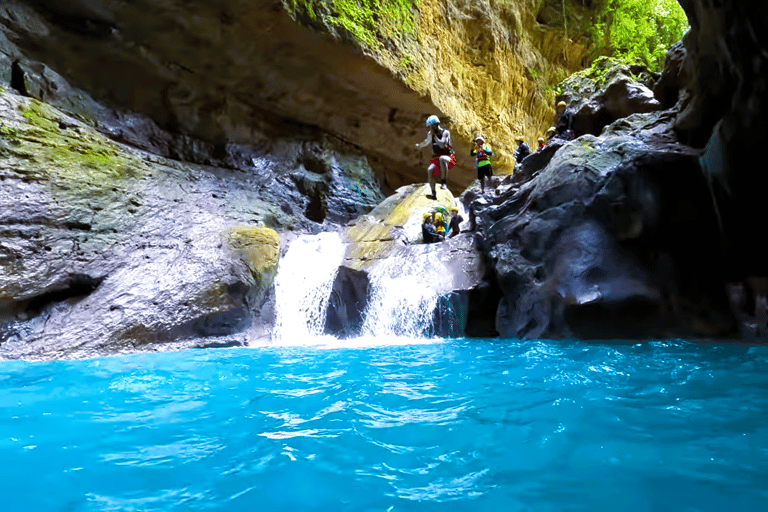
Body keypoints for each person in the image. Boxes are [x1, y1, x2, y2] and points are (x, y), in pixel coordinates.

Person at [415, 115, 456, 199]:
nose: (430, 128)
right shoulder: (431, 133)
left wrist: (435, 135)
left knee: (442, 158)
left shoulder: (445, 132)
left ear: (437, 124)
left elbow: (442, 144)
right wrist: (420, 145)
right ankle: (433, 193)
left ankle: (443, 182)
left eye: (431, 126)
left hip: (448, 157)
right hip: (437, 158)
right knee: (430, 170)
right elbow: (427, 142)